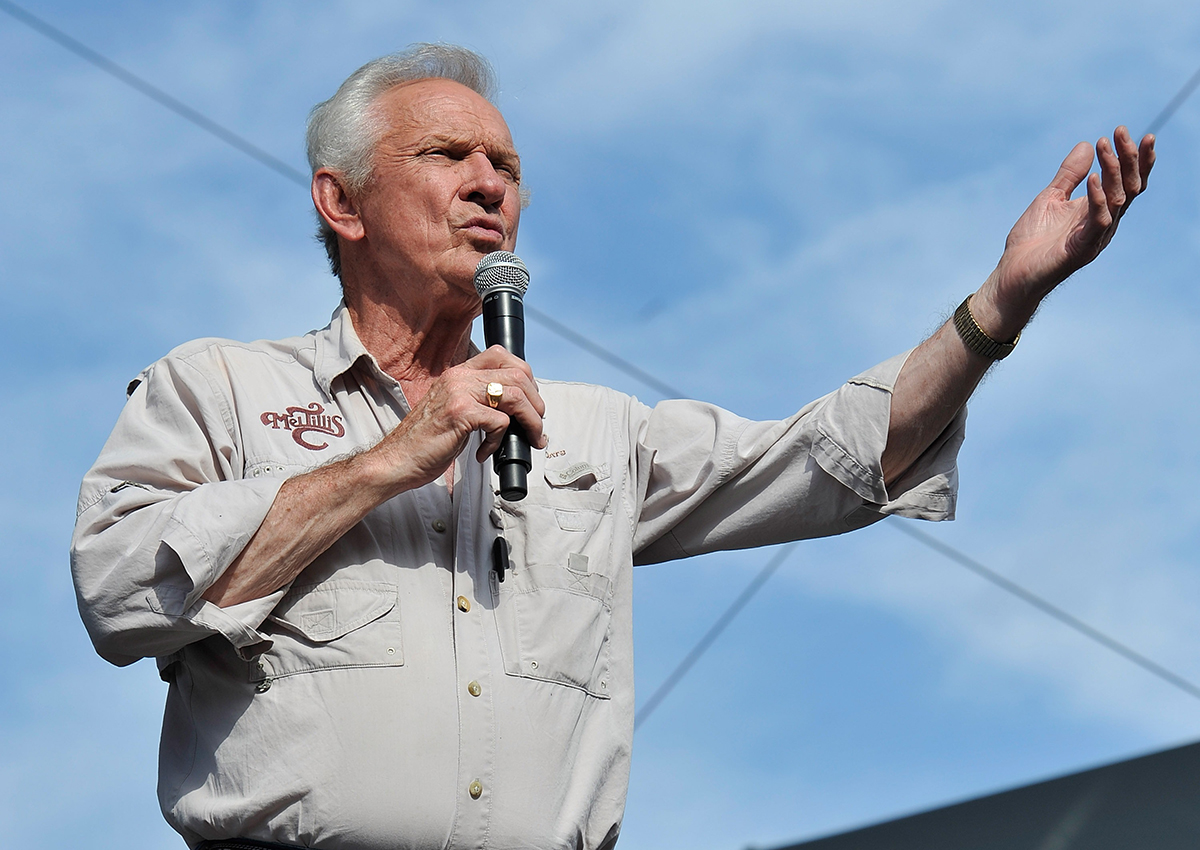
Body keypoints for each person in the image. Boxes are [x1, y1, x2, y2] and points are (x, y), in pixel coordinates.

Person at [70, 43, 1153, 850]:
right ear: (341, 201)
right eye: (448, 154)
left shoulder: (592, 432)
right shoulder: (216, 386)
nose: (490, 183)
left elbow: (830, 459)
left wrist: (1001, 303)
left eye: (506, 163)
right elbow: (120, 594)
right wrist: (395, 456)